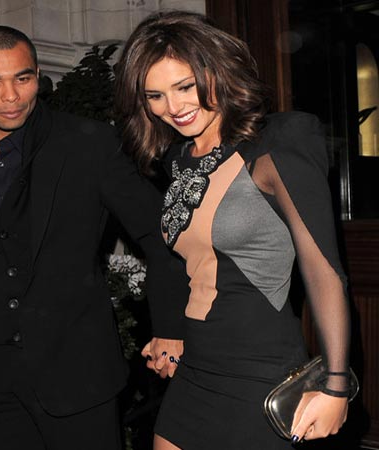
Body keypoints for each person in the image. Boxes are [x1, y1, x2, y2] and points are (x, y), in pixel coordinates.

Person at [0, 25, 188, 450]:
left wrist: (170, 328)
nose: (11, 96)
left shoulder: (89, 144)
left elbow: (161, 234)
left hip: (78, 372)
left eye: (23, 78)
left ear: (38, 77)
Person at [114, 10, 352, 450]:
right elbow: (186, 264)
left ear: (217, 71)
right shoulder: (179, 159)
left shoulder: (276, 145)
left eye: (185, 86)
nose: (174, 107)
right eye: (155, 96)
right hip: (196, 368)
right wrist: (172, 332)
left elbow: (323, 268)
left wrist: (336, 384)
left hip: (259, 372)